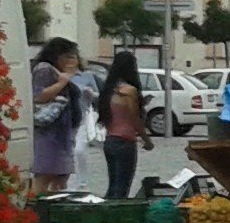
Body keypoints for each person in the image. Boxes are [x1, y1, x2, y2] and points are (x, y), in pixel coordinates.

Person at [28, 38, 94, 195]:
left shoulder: (60, 72)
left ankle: (54, 209)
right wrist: (63, 82)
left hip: (63, 135)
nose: (73, 60)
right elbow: (38, 96)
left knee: (60, 179)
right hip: (50, 135)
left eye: (74, 56)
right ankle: (36, 211)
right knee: (44, 178)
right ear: (57, 55)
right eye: (69, 56)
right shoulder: (45, 69)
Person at [98, 50, 147, 200]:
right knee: (122, 186)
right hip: (125, 141)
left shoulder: (108, 90)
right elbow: (134, 118)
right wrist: (147, 140)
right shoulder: (129, 91)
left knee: (113, 184)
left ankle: (106, 213)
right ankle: (115, 217)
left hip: (110, 140)